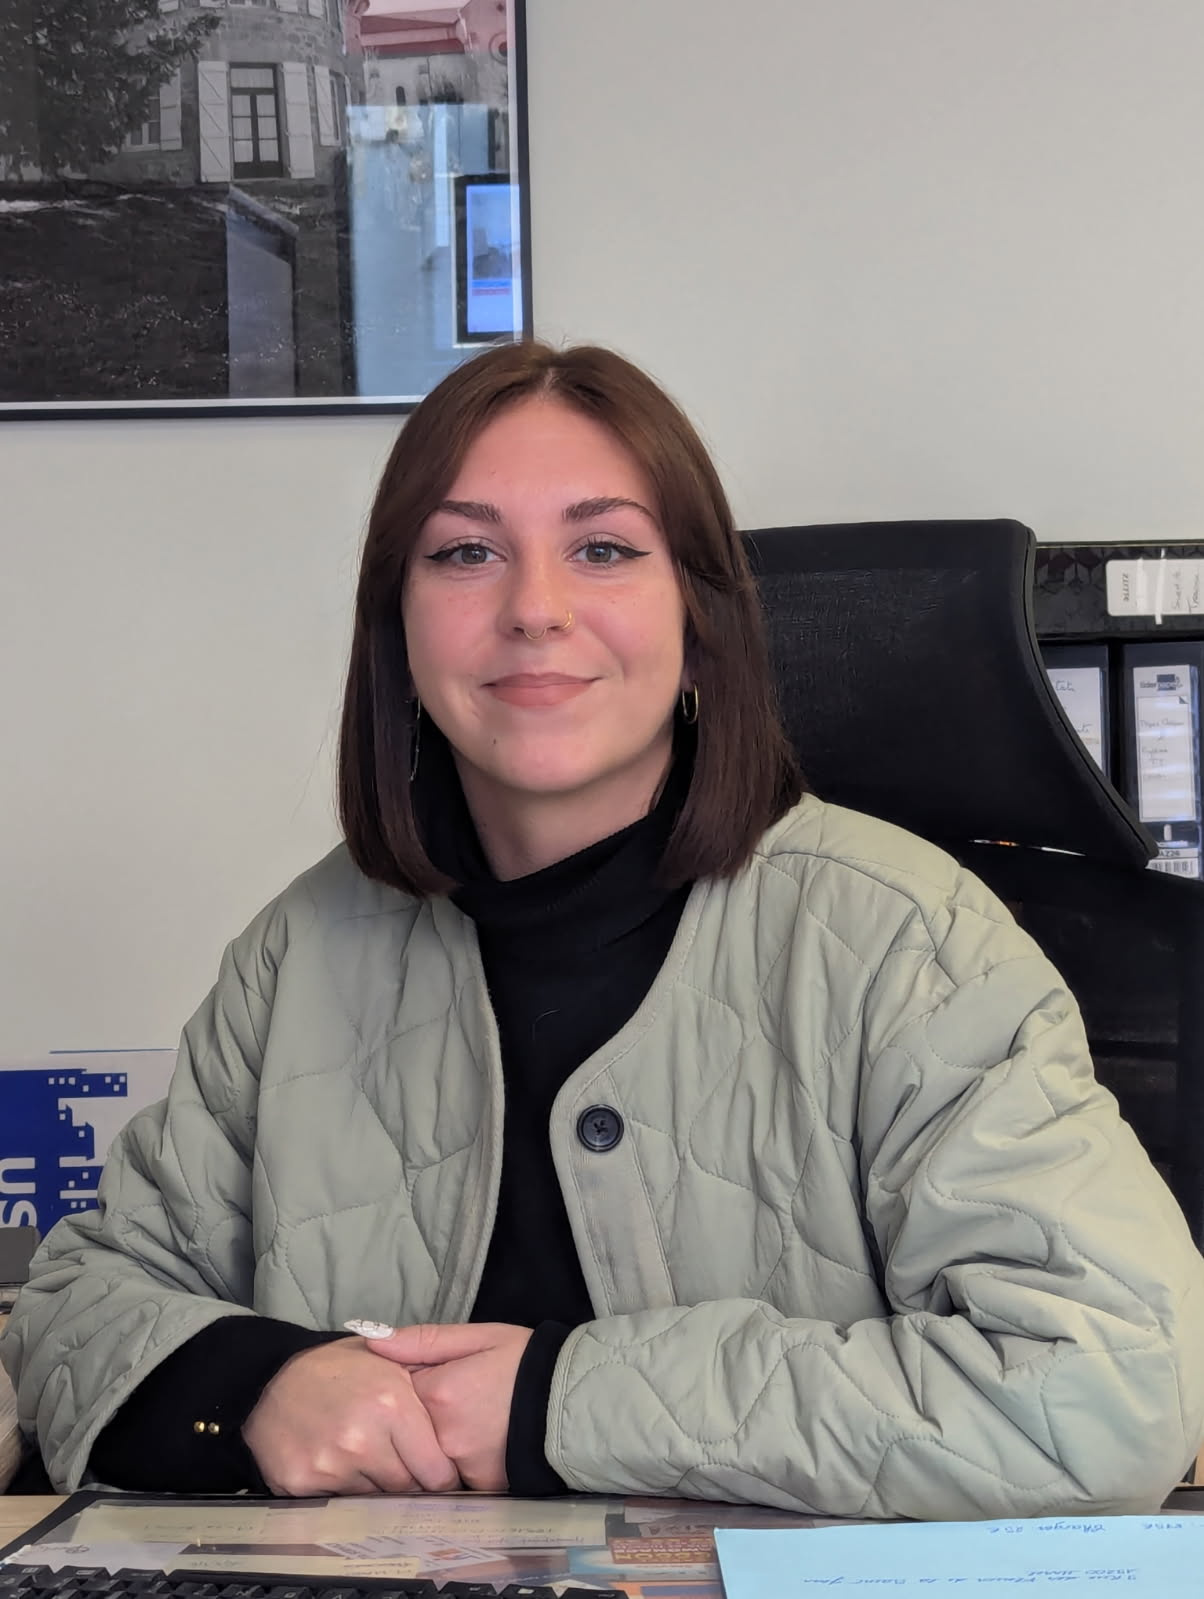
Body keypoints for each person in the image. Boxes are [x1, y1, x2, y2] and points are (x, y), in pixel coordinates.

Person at [3, 342, 1203, 1520]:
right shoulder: (299, 955)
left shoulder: (906, 942)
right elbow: (78, 1308)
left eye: (604, 549)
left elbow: (1111, 1383)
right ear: (398, 625)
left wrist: (550, 1403)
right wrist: (253, 1386)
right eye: (465, 552)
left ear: (697, 615)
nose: (534, 608)